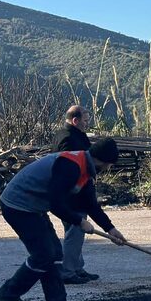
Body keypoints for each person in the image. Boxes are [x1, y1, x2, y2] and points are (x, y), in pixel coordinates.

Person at [0, 139, 126, 301]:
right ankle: (8, 295)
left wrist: (110, 230)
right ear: (103, 161)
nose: (109, 168)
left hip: (34, 207)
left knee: (55, 254)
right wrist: (79, 221)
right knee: (43, 255)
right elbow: (56, 204)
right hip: (18, 205)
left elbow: (91, 204)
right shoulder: (70, 166)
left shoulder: (85, 169)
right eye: (110, 165)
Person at [51, 105, 99, 285]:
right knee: (76, 230)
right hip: (72, 192)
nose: (87, 124)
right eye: (85, 121)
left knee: (74, 231)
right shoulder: (67, 138)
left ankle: (77, 267)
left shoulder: (69, 134)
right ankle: (69, 271)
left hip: (74, 190)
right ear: (75, 120)